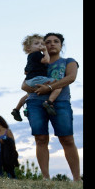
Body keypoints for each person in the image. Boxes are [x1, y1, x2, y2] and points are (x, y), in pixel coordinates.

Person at [21, 32, 81, 181]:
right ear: (43, 45)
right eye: (48, 42)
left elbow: (71, 78)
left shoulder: (69, 61)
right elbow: (23, 85)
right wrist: (37, 89)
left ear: (61, 45)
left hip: (60, 102)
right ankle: (45, 177)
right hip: (35, 102)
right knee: (40, 139)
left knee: (67, 139)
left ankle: (76, 178)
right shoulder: (36, 61)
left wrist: (48, 88)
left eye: (56, 41)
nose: (52, 44)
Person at [11, 34, 62, 121]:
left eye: (42, 44)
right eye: (37, 43)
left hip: (29, 80)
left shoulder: (30, 58)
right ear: (28, 48)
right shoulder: (37, 54)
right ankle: (49, 102)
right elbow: (46, 60)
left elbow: (26, 71)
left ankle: (16, 109)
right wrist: (45, 51)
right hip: (37, 78)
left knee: (29, 94)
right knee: (58, 85)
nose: (40, 46)